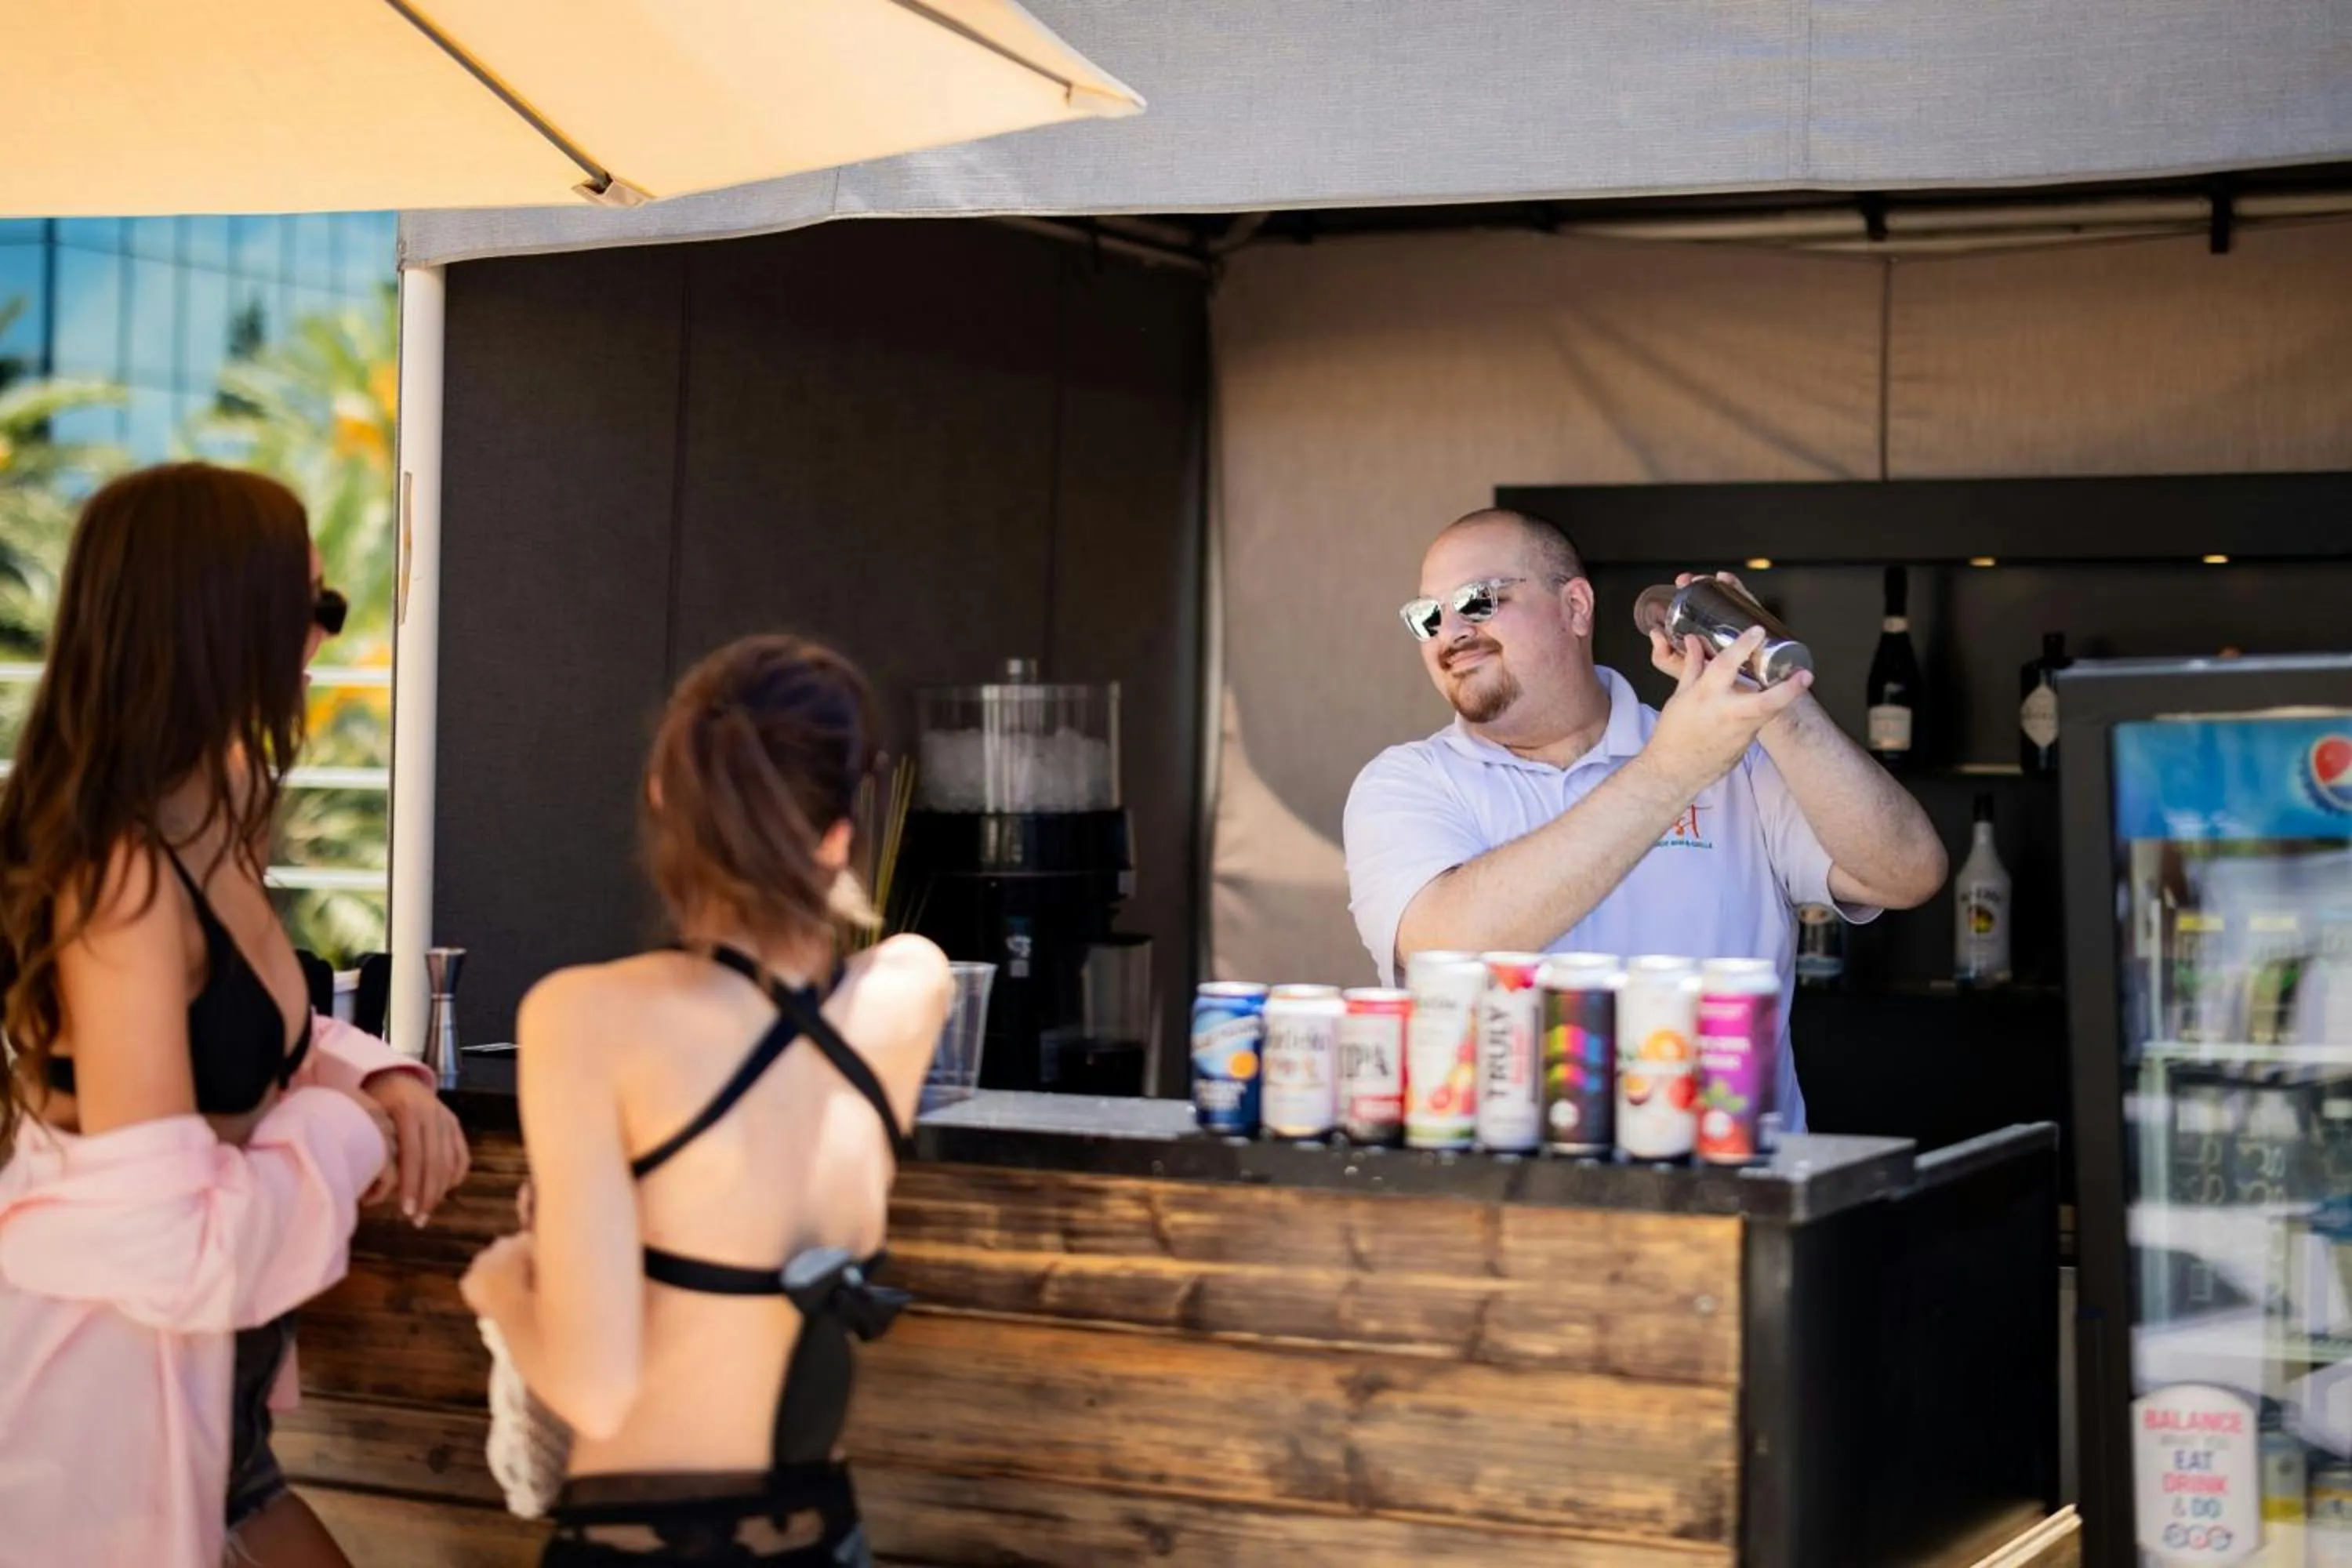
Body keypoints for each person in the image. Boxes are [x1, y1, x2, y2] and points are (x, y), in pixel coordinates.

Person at [0, 462, 472, 1568]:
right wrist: (347, 1133)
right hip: (99, 1403)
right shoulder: (119, 875)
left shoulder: (223, 806)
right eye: (311, 604)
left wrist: (378, 1077)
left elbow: (252, 1027)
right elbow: (168, 1246)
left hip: (214, 1390)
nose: (325, 633)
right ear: (216, 617)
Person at [459, 633, 949, 1566]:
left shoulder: (586, 1015)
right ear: (840, 829)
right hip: (819, 1534)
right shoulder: (913, 989)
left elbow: (595, 1390)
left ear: (660, 797)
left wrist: (502, 1287)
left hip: (642, 1539)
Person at [1343, 506, 1947, 1133]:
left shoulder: (1733, 756)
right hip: (1510, 1185)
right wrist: (1671, 771)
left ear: (1576, 607)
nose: (1450, 633)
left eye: (1477, 601)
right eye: (1427, 616)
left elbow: (1907, 872)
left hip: (1730, 1176)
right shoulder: (1408, 781)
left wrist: (1773, 698)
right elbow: (1445, 947)